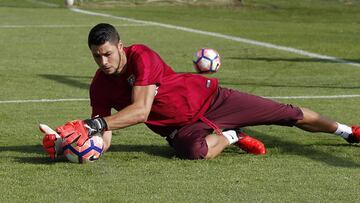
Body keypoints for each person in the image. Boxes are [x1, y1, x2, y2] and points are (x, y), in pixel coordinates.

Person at [42, 23, 360, 160]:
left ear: (120, 46)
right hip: (180, 126)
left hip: (212, 99)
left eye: (108, 53)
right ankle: (233, 135)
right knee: (193, 153)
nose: (103, 61)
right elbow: (105, 135)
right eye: (97, 56)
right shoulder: (100, 84)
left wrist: (93, 125)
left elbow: (139, 112)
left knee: (289, 114)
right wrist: (74, 145)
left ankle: (348, 132)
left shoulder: (143, 56)